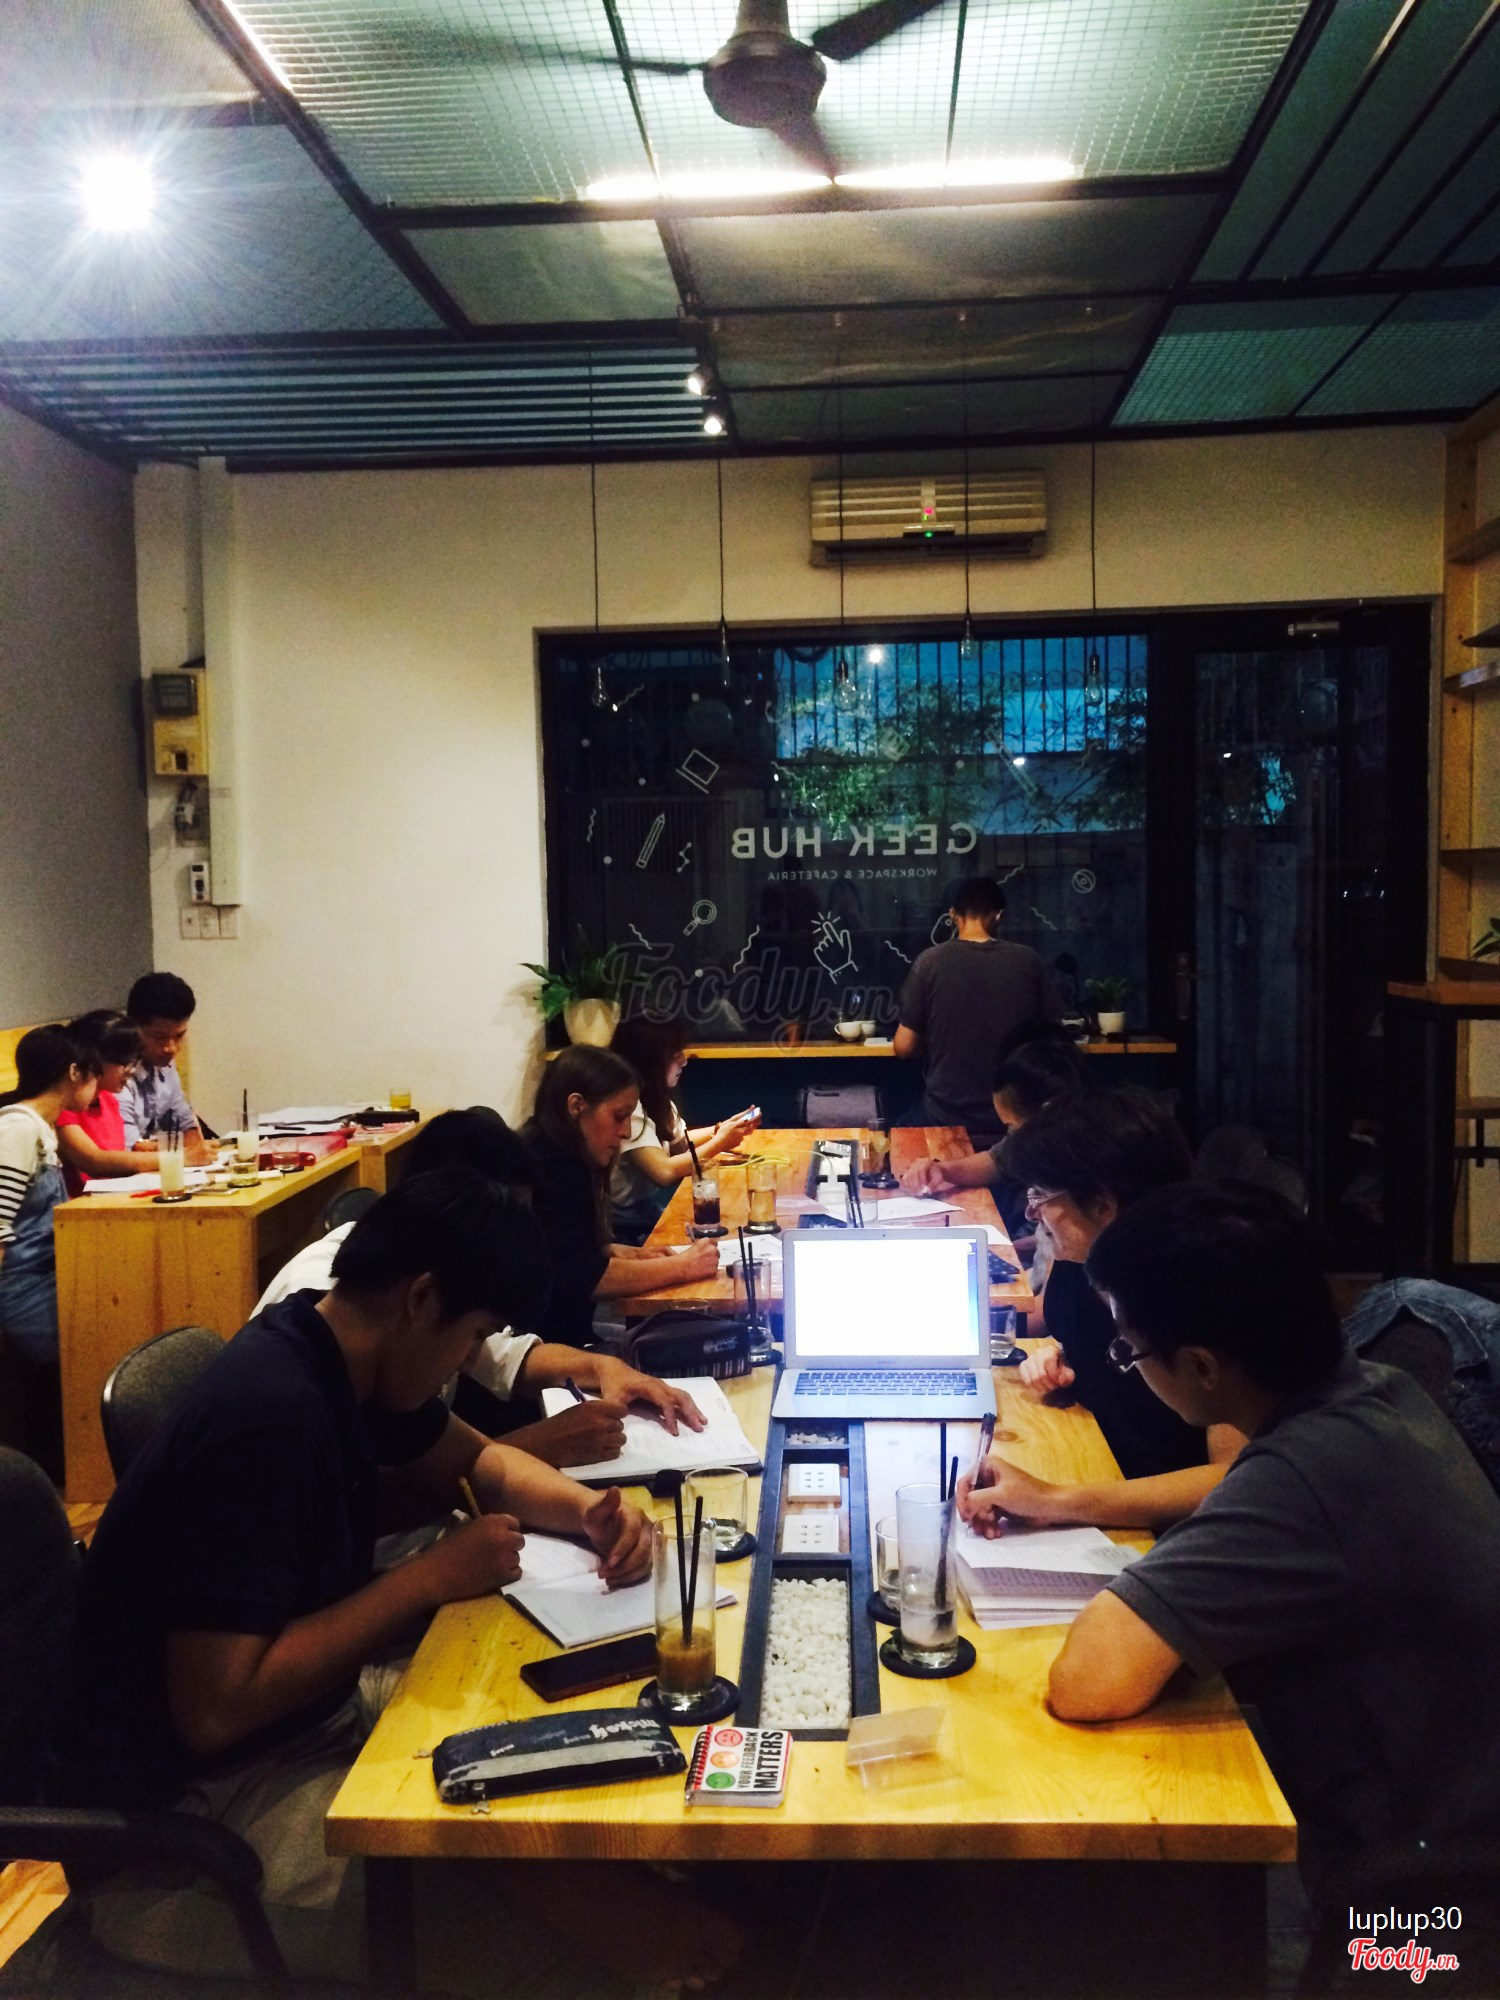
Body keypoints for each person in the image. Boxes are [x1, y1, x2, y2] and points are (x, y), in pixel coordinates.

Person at [51, 1170, 672, 1985]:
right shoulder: (267, 1417)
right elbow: (215, 1708)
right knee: (571, 1943)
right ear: (421, 1299)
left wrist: (590, 1512)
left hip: (302, 1732)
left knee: (570, 1762)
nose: (467, 1358)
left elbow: (483, 1463)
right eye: (471, 1335)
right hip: (178, 1841)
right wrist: (428, 1579)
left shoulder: (343, 1352)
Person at [1039, 1182, 1500, 1912]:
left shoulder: (1304, 1474)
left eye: (1130, 1348)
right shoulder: (1379, 1389)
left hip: (1431, 1908)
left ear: (1203, 1367)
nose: (1129, 1361)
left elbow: (1089, 1682)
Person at [257, 1106, 705, 1466]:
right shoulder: (340, 1310)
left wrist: (606, 1368)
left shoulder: (423, 1286)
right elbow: (372, 1502)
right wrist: (533, 1446)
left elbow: (500, 1354)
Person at [992, 1088, 1227, 1481]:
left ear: (1103, 1206)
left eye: (1042, 1195)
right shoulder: (1079, 1255)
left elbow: (1227, 1477)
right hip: (1088, 1450)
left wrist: (1059, 1503)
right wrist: (1064, 1354)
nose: (1032, 1211)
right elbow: (1054, 1320)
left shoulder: (1198, 1294)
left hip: (1144, 1499)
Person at [522, 1047, 719, 1345]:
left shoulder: (549, 1144)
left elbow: (560, 1251)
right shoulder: (554, 1165)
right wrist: (683, 1267)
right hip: (547, 1346)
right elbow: (582, 1277)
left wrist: (629, 1254)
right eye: (619, 1116)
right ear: (577, 1106)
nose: (626, 1132)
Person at [0, 1025, 101, 1478]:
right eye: (93, 1074)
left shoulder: (40, 1129)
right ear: (75, 1072)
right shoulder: (17, 1130)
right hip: (24, 1287)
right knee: (106, 1332)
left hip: (48, 1276)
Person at [894, 877, 1060, 1147]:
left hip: (944, 1115)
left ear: (952, 915)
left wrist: (935, 1040)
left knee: (894, 1124)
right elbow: (1053, 1035)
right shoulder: (1028, 960)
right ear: (998, 916)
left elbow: (903, 1048)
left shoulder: (930, 962)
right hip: (1013, 1115)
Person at [901, 1020, 1089, 1242]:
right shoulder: (1047, 1133)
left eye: (1011, 1125)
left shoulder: (1090, 1162)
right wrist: (942, 1170)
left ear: (1048, 1112)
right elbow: (998, 1161)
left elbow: (1076, 1246)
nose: (1012, 1136)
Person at [609, 1018, 759, 1243]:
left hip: (643, 1210)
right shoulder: (630, 1109)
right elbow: (664, 1172)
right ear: (649, 1061)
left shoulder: (656, 1100)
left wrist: (721, 1129)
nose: (684, 1061)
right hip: (623, 1223)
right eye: (675, 1054)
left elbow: (680, 1140)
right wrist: (721, 1141)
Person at [56, 1008, 150, 1196]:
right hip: (79, 1208)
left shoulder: (109, 1101)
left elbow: (117, 1163)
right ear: (95, 1058)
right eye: (123, 1061)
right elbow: (94, 1162)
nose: (130, 1070)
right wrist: (175, 1159)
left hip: (112, 1201)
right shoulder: (65, 1105)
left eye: (133, 1061)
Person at [117, 971, 209, 1158]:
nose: (171, 1048)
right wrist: (184, 1154)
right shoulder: (116, 1073)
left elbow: (187, 1126)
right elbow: (131, 1149)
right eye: (159, 1037)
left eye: (179, 1036)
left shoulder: (165, 1066)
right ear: (132, 1027)